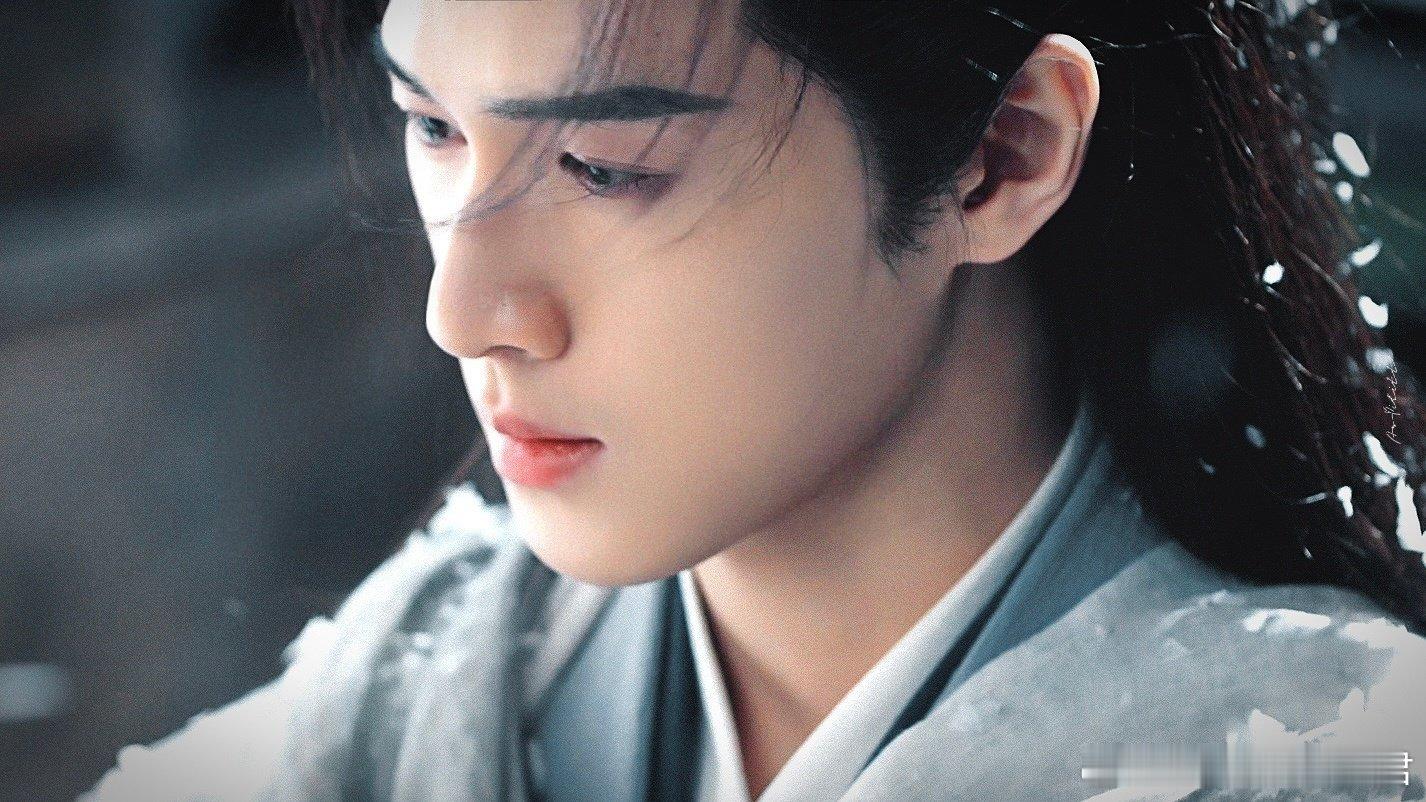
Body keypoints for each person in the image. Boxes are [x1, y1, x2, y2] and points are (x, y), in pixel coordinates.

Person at [88, 1, 1426, 799]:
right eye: (433, 128)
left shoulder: (1327, 748)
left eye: (605, 165)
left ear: (1001, 157)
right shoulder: (417, 690)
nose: (463, 309)